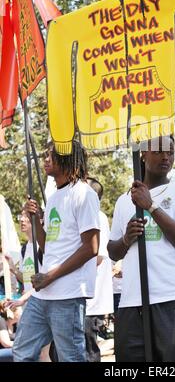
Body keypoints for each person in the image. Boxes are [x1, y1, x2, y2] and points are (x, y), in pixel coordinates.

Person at [108, 135, 175, 362]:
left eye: (170, 152)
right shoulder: (123, 200)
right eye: (159, 151)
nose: (165, 157)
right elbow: (112, 251)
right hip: (132, 300)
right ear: (143, 154)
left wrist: (150, 206)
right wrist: (127, 239)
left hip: (172, 298)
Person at [12, 140, 100, 362]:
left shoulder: (84, 193)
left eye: (52, 155)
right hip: (44, 293)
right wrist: (36, 221)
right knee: (22, 352)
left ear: (68, 157)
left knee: (70, 357)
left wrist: (50, 276)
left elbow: (91, 247)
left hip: (68, 295)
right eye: (46, 155)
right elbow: (48, 245)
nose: (46, 160)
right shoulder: (53, 198)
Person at [85, 177, 113, 362]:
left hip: (90, 300)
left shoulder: (98, 216)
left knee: (87, 351)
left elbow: (98, 257)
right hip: (79, 298)